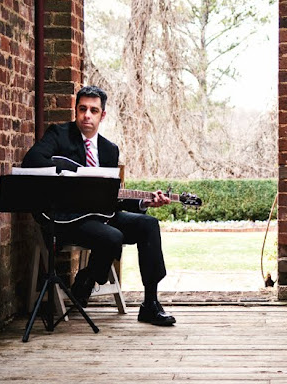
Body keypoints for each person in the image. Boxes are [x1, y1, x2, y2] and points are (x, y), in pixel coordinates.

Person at [22, 85, 175, 326]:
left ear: (102, 115)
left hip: (100, 215)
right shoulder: (58, 135)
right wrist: (73, 175)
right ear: (76, 111)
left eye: (94, 110)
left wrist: (144, 202)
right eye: (82, 109)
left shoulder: (108, 149)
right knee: (112, 237)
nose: (87, 115)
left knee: (148, 225)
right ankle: (87, 281)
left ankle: (149, 304)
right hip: (67, 217)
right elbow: (31, 161)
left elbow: (113, 198)